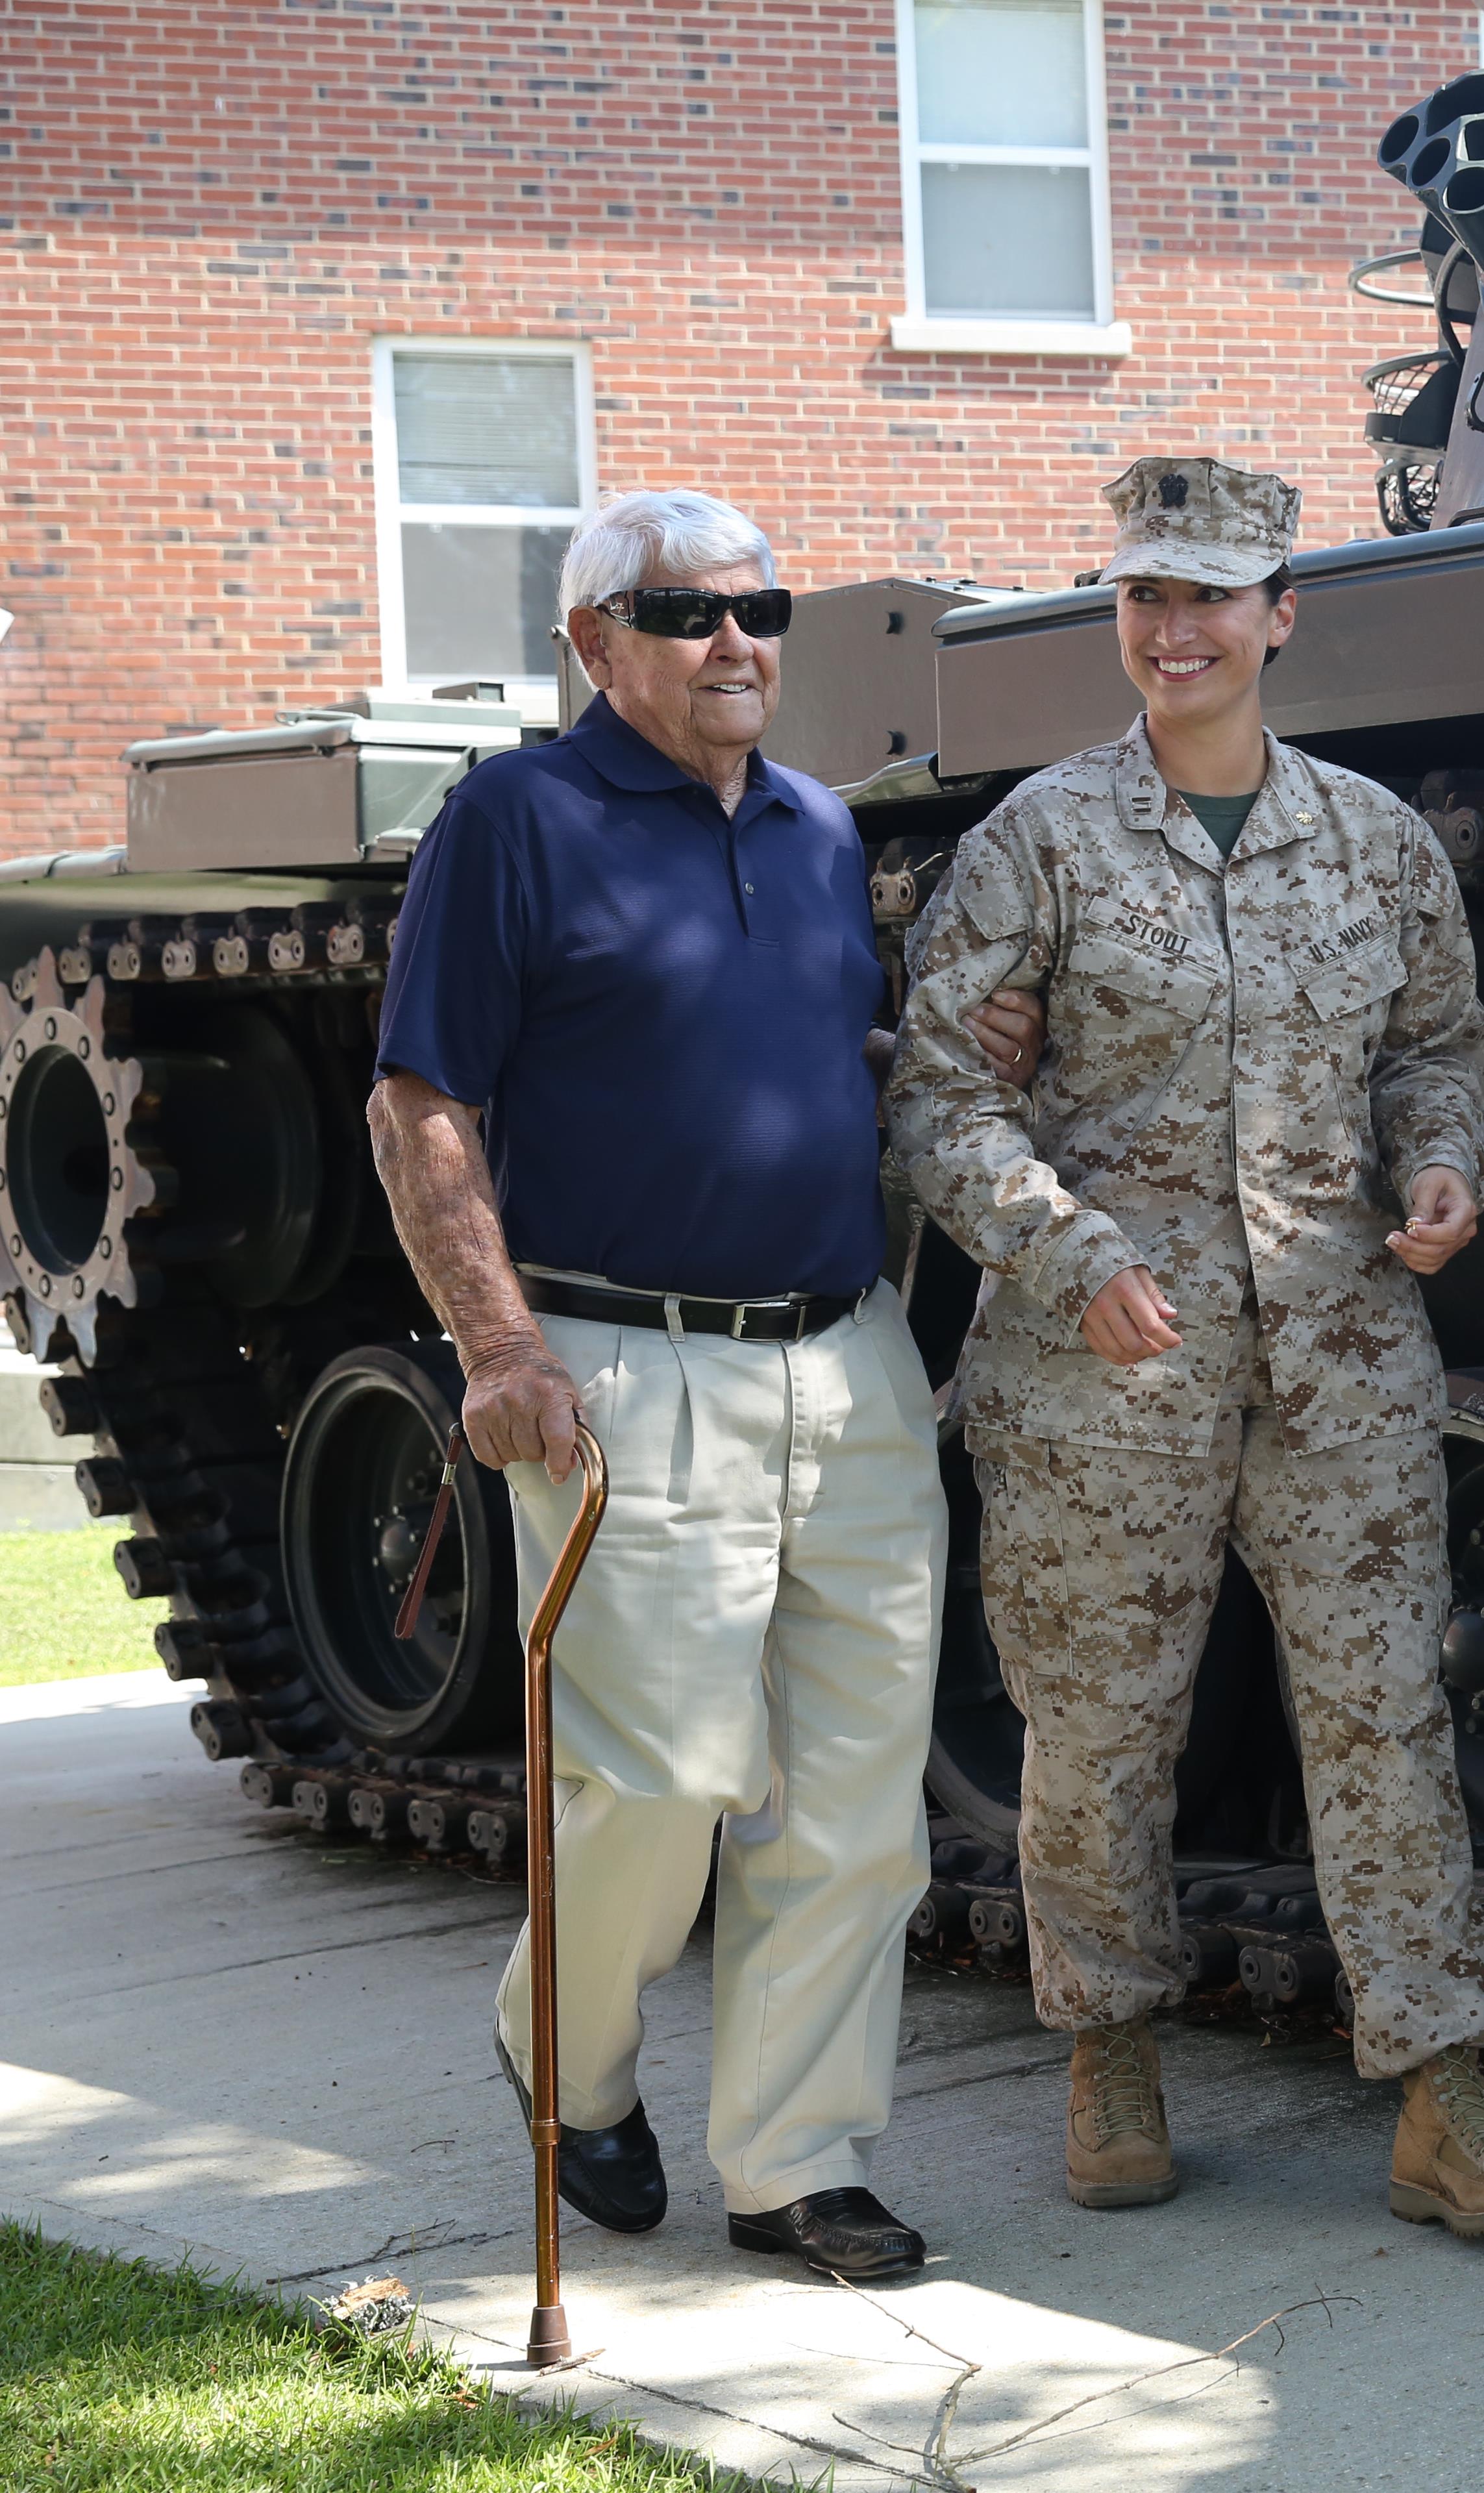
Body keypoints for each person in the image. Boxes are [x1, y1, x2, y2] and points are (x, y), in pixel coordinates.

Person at [888, 457, 1484, 2237]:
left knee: (1385, 1715)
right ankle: (1109, 2047)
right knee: (1104, 1724)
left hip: (1341, 1350)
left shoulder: (1373, 839)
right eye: (1143, 596)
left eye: (1208, 597)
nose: (1172, 630)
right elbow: (947, 1101)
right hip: (1107, 1361)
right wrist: (1065, 1253)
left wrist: (1442, 1160)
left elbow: (1442, 1047)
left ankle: (1440, 2088)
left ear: (1281, 613)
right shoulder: (1039, 841)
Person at [368, 488, 946, 2282]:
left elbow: (799, 1044)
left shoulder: (819, 827)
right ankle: (567, 2059)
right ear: (593, 640)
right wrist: (496, 1343)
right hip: (627, 1369)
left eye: (761, 606)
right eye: (686, 612)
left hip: (849, 1366)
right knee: (666, 1783)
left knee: (855, 1796)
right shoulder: (514, 822)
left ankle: (795, 2161)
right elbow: (421, 1104)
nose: (735, 643)